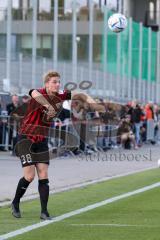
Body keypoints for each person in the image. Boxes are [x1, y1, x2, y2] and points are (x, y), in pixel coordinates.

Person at [11, 71, 106, 220]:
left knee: (43, 174)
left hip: (41, 139)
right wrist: (48, 105)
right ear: (47, 83)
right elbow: (34, 94)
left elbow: (78, 94)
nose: (57, 84)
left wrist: (94, 104)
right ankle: (15, 203)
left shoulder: (60, 94)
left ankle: (44, 212)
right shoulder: (37, 92)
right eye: (54, 81)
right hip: (26, 139)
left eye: (58, 81)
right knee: (29, 176)